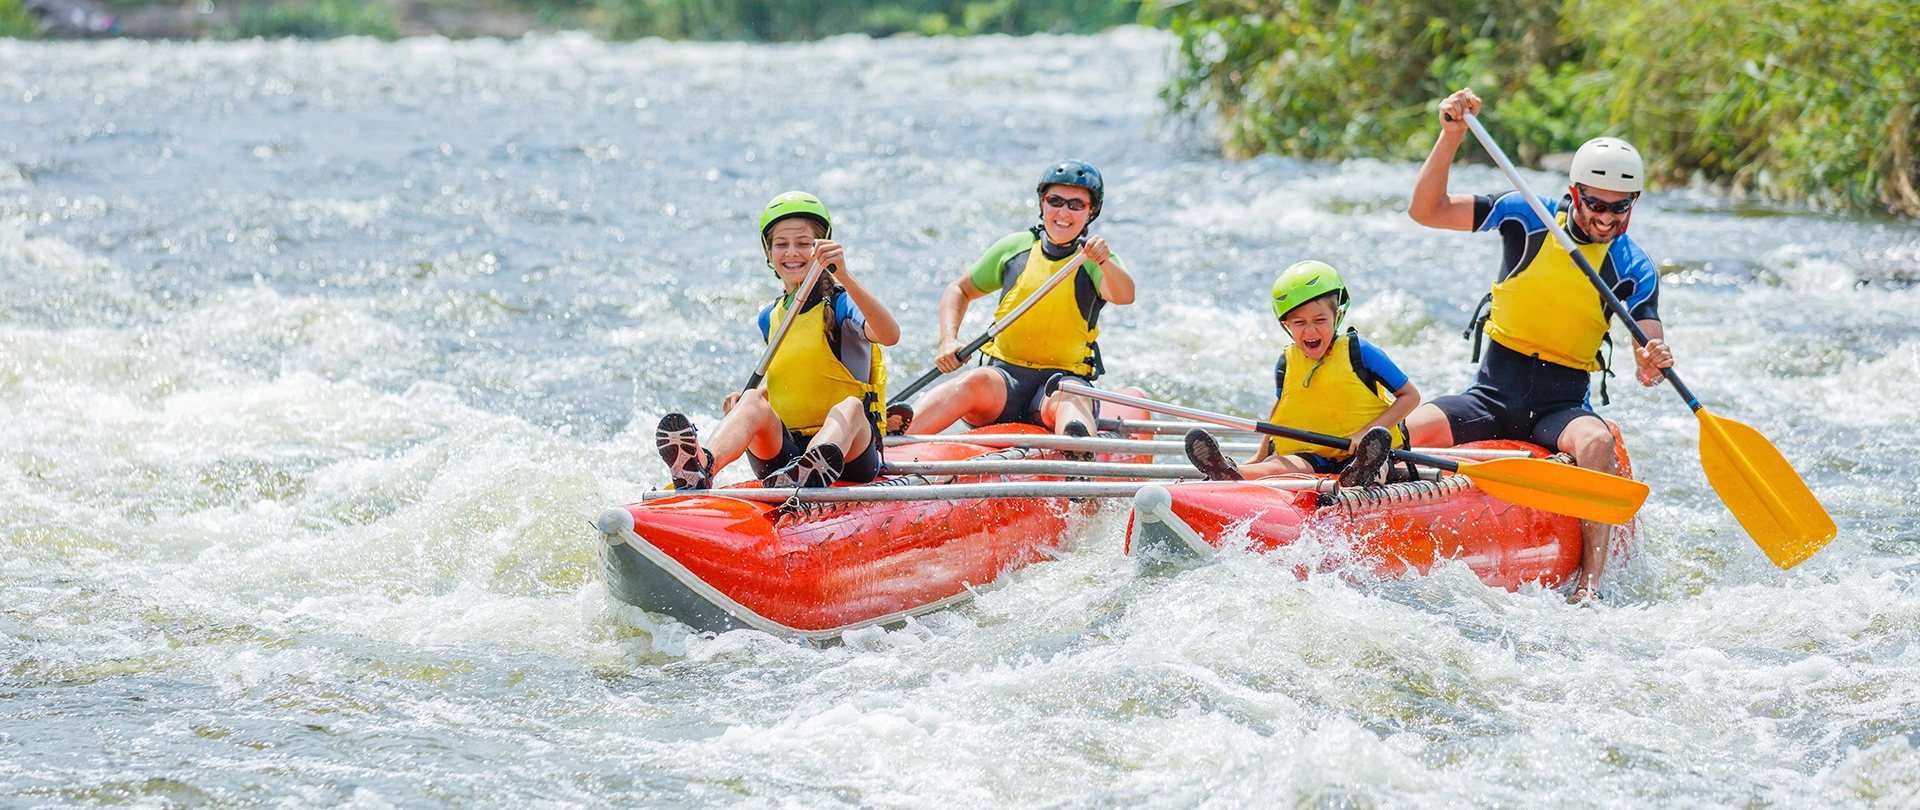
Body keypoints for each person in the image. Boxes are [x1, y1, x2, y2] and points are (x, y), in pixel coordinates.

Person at [1403, 87, 1675, 603]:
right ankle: (1332, 496)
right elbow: (1427, 210)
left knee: (1597, 443)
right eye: (1597, 205)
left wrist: (1653, 360)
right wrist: (1450, 136)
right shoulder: (1526, 216)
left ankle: (1590, 585)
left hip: (1560, 405)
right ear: (1575, 194)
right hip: (1489, 394)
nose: (1608, 219)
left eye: (1622, 208)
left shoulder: (1634, 267)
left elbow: (1650, 359)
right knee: (1398, 431)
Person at [654, 191, 900, 490]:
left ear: (822, 248)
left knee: (850, 406)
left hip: (850, 453)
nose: (792, 253)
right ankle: (701, 467)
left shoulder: (842, 305)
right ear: (769, 254)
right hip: (787, 454)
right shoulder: (769, 316)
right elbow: (798, 373)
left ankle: (813, 467)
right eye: (781, 245)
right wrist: (748, 404)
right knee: (751, 400)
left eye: (804, 244)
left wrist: (844, 275)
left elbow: (890, 335)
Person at [893, 160, 1136, 440]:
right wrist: (948, 339)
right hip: (1003, 382)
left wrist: (1104, 261)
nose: (1063, 212)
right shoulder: (1015, 248)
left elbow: (1125, 295)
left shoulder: (1095, 259)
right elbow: (959, 291)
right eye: (1054, 200)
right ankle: (891, 441)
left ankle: (1077, 452)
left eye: (1076, 205)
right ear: (1042, 203)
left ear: (1091, 212)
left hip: (1061, 383)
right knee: (974, 380)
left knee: (1069, 399)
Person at [1184, 261, 1421, 488]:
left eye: (1320, 320)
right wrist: (1259, 456)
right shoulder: (1286, 362)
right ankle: (1228, 472)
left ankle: (1360, 479)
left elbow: (1410, 396)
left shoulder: (1362, 352)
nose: (1310, 330)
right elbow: (1280, 410)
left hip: (1363, 452)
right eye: (1299, 322)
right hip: (1311, 455)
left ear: (1337, 316)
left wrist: (1366, 433)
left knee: (1376, 467)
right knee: (1274, 466)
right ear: (1287, 325)